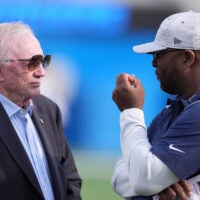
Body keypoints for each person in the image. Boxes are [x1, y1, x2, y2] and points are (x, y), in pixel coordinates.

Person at [111, 10, 200, 200]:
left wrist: (131, 111)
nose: (153, 63)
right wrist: (155, 187)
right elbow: (119, 177)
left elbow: (143, 180)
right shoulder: (173, 111)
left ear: (187, 58)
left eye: (159, 54)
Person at [0, 21, 82, 199]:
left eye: (43, 61)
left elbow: (70, 180)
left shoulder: (49, 110)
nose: (41, 72)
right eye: (31, 63)